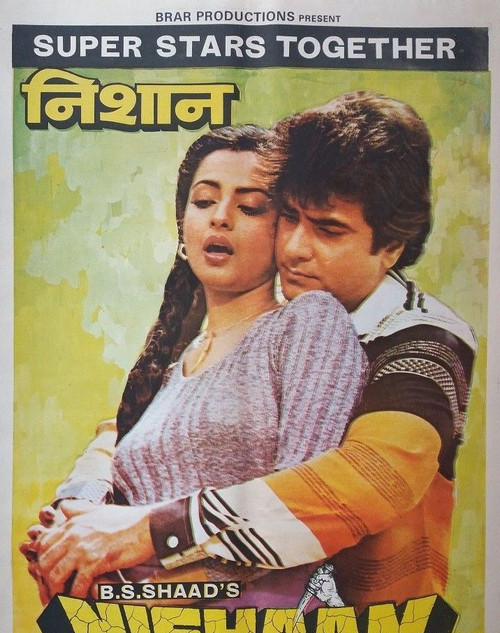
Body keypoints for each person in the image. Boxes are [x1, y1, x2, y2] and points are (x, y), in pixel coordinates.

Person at [28, 92, 475, 616]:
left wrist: (142, 536)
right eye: (289, 217)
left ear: (392, 248)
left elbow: (363, 481)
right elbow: (130, 430)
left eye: (328, 229)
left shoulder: (421, 339)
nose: (294, 249)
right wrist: (76, 508)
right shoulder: (220, 336)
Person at [22, 123, 366, 604]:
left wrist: (140, 590)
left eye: (250, 207)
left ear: (284, 229)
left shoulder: (309, 324)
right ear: (183, 225)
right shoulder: (168, 370)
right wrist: (68, 528)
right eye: (204, 201)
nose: (220, 218)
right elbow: (105, 464)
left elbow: (304, 512)